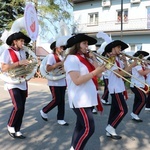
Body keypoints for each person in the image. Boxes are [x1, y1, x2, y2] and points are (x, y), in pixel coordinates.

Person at [64, 33, 106, 150]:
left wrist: (94, 60)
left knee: (80, 127)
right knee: (89, 128)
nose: (87, 46)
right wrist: (94, 72)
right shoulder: (72, 59)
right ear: (77, 45)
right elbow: (77, 80)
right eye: (84, 43)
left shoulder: (85, 59)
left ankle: (73, 147)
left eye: (87, 44)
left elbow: (99, 74)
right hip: (79, 99)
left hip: (87, 98)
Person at [104, 40, 137, 140]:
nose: (120, 49)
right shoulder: (111, 59)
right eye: (118, 47)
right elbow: (119, 74)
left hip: (119, 87)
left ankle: (109, 129)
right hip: (115, 88)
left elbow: (127, 72)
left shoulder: (118, 59)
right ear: (113, 48)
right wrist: (132, 65)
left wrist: (126, 61)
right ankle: (111, 127)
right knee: (123, 110)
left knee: (114, 110)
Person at [0, 31, 31, 139]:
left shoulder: (23, 52)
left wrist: (29, 70)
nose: (23, 43)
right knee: (18, 106)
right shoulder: (7, 52)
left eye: (23, 41)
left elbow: (23, 67)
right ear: (15, 41)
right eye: (21, 41)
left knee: (22, 108)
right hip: (12, 82)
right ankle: (10, 125)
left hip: (22, 81)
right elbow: (3, 68)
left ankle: (17, 129)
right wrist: (18, 63)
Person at [40, 36, 69, 126]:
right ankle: (44, 110)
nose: (63, 49)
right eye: (61, 47)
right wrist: (58, 64)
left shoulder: (62, 57)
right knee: (56, 100)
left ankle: (61, 118)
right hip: (54, 81)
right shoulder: (51, 56)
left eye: (63, 47)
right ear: (56, 47)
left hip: (62, 81)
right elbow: (48, 68)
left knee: (62, 101)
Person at [130, 51, 150, 121]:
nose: (144, 58)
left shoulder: (141, 64)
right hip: (136, 84)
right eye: (142, 56)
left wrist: (146, 65)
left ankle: (134, 113)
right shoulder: (137, 64)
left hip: (140, 84)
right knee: (143, 99)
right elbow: (142, 73)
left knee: (137, 100)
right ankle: (135, 113)